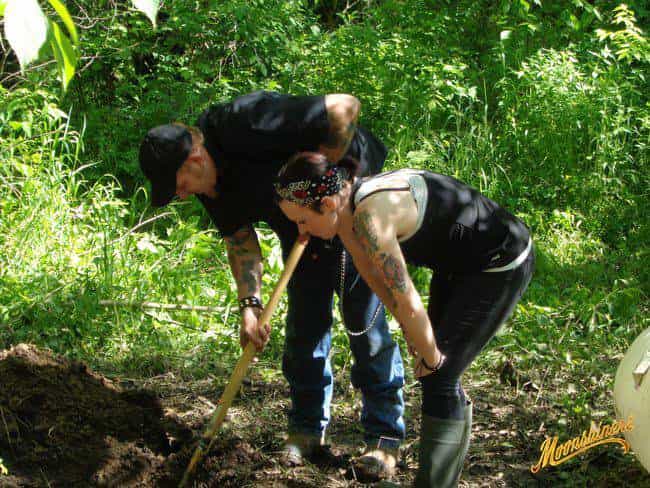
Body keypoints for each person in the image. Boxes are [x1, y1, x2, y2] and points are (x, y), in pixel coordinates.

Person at [138, 91, 405, 479]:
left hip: (349, 202)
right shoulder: (210, 183)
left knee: (362, 319)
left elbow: (344, 107)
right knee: (304, 323)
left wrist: (331, 181)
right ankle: (307, 430)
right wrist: (250, 304)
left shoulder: (244, 121)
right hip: (300, 227)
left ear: (194, 159)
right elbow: (240, 241)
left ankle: (383, 438)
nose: (181, 194)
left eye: (178, 184)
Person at [275, 152, 535, 487]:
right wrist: (418, 339)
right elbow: (380, 285)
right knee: (435, 369)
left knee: (439, 373)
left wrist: (430, 352)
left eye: (302, 220)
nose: (301, 232)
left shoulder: (371, 218)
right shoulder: (347, 220)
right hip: (456, 265)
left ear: (325, 204)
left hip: (500, 262)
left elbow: (406, 298)